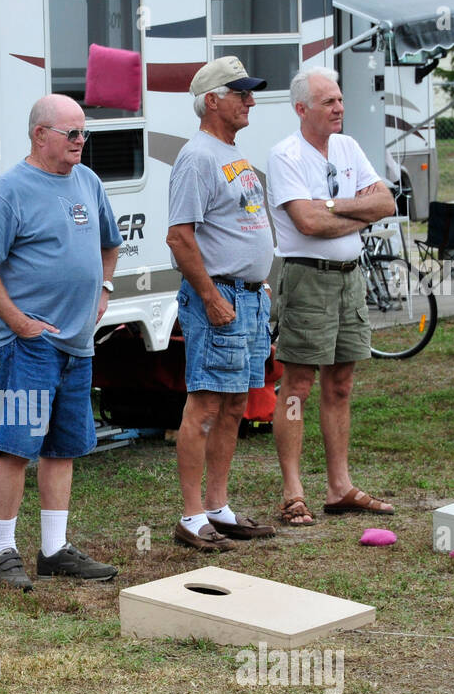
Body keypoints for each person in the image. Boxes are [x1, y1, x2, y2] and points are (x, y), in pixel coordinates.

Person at [0, 94, 122, 590]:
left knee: (62, 448)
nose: (80, 142)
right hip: (30, 345)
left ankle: (54, 550)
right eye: (71, 134)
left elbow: (110, 244)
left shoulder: (88, 181)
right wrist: (18, 322)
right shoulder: (10, 190)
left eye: (84, 134)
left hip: (78, 343)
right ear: (40, 135)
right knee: (17, 448)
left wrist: (104, 289)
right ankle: (2, 551)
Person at [266, 67, 396, 526]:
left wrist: (334, 205)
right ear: (302, 109)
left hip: (349, 277)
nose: (339, 108)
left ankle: (340, 487)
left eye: (340, 100)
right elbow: (308, 224)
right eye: (329, 102)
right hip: (307, 279)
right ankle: (293, 492)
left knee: (340, 384)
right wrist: (352, 214)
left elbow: (387, 203)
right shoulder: (285, 156)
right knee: (297, 386)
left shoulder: (348, 147)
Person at [166, 56, 277, 552]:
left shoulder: (228, 153)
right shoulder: (198, 157)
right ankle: (191, 516)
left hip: (247, 298)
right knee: (206, 404)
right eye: (241, 93)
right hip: (221, 298)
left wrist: (259, 283)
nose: (250, 100)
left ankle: (217, 507)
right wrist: (211, 296)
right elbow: (179, 237)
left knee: (235, 404)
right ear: (213, 100)